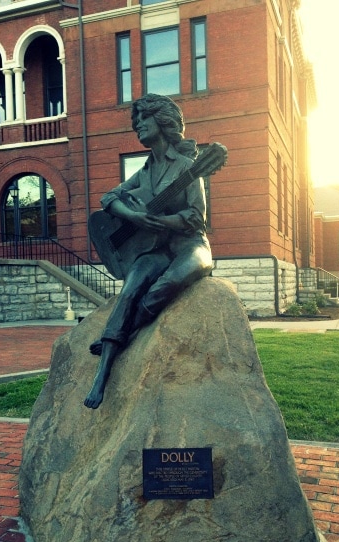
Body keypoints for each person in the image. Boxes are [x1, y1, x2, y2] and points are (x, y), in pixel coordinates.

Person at [84, 94, 212, 409]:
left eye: (143, 118)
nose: (138, 124)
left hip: (190, 245)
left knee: (167, 283)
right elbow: (109, 198)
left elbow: (197, 217)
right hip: (156, 247)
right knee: (130, 290)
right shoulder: (144, 171)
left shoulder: (187, 167)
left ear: (162, 120)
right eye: (136, 120)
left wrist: (162, 220)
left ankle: (120, 335)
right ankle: (101, 377)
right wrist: (135, 217)